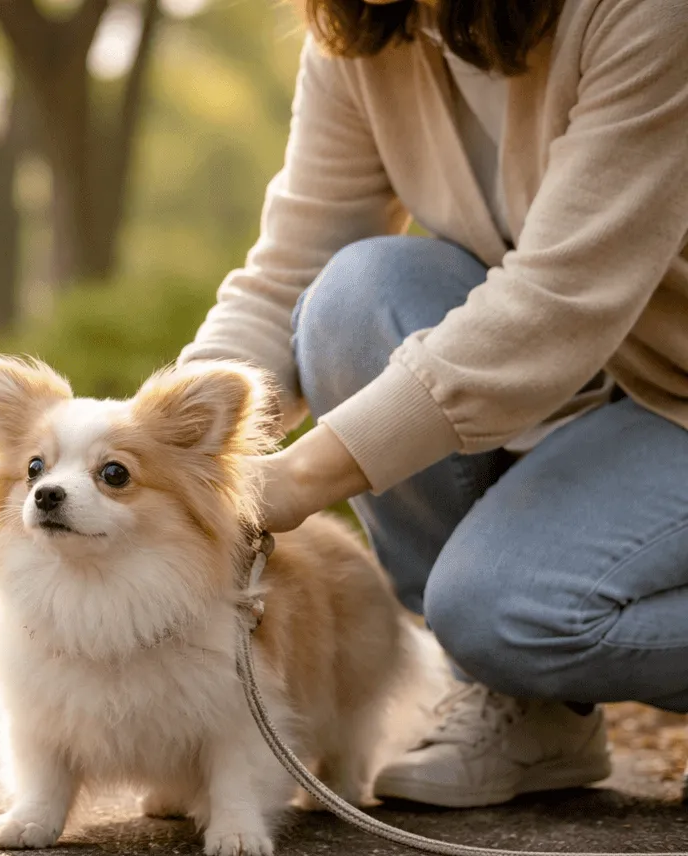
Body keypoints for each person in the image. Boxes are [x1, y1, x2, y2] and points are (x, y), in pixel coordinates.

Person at [177, 0, 688, 808]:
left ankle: (503, 654)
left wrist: (296, 481)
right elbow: (288, 272)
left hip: (665, 389)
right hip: (613, 382)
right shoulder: (367, 31)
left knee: (501, 614)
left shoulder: (648, 16)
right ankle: (528, 711)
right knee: (355, 294)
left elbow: (558, 302)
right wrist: (168, 433)